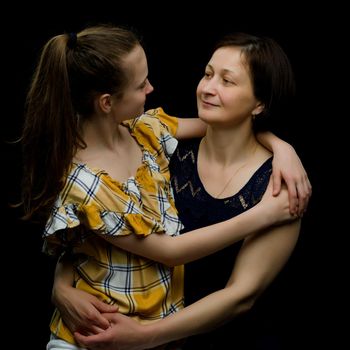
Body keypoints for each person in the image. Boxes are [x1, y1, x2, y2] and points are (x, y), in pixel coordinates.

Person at [19, 24, 310, 350]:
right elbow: (96, 241)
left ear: (260, 104)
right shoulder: (164, 151)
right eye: (207, 74)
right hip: (112, 328)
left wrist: (282, 147)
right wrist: (60, 288)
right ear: (106, 102)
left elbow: (242, 295)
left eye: (226, 81)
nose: (207, 88)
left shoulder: (280, 188)